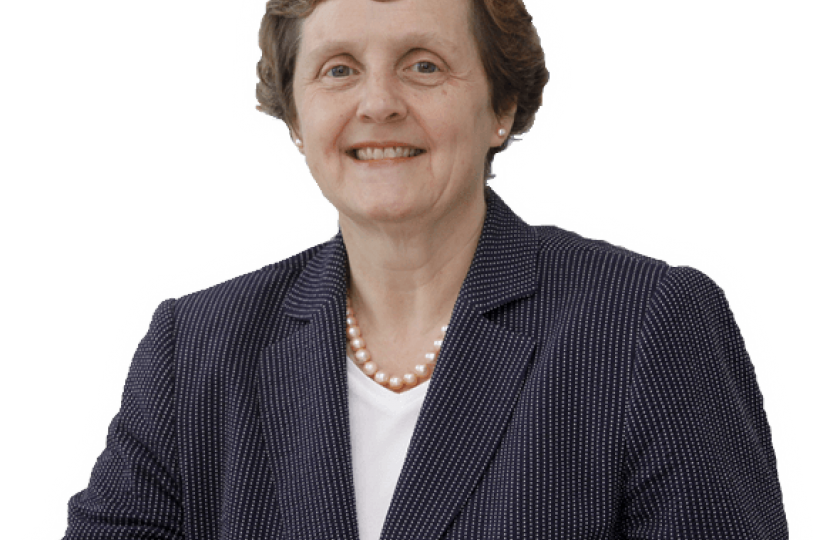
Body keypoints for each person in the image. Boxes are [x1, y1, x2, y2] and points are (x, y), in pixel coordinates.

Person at [63, 0, 788, 538]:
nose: (378, 103)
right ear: (296, 118)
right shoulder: (193, 345)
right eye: (339, 70)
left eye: (424, 65)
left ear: (502, 105)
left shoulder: (648, 323)